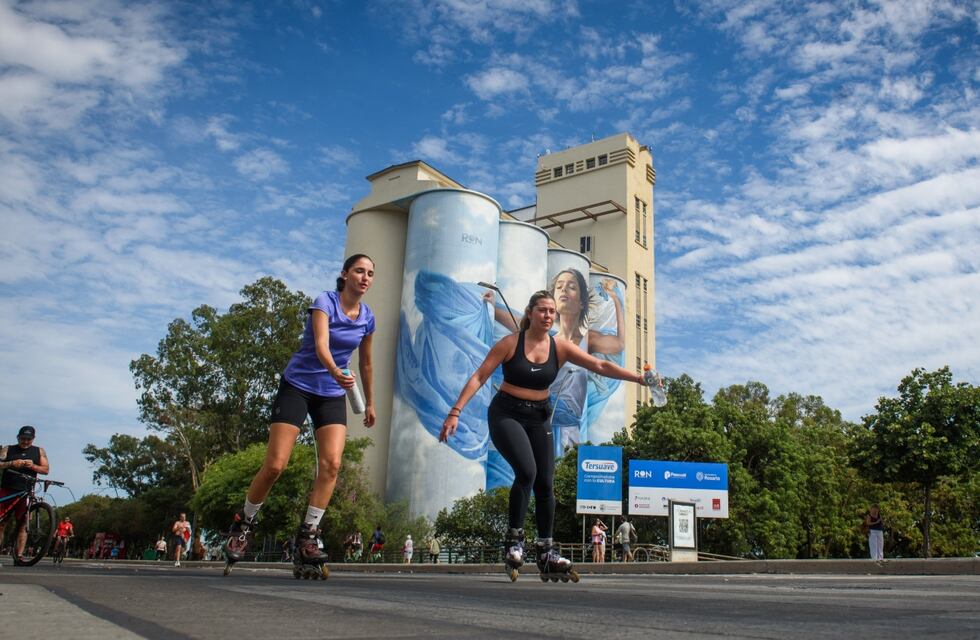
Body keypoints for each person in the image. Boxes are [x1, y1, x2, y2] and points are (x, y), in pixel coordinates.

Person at [440, 290, 647, 579]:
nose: (548, 315)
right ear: (530, 313)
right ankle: (514, 541)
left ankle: (547, 552)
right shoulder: (510, 343)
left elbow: (599, 364)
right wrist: (455, 412)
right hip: (506, 413)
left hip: (539, 417)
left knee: (546, 483)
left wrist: (637, 378)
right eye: (542, 310)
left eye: (552, 311)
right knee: (527, 471)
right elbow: (479, 376)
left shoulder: (559, 347)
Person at [222, 254, 377, 573]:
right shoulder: (325, 302)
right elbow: (321, 345)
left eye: (370, 273)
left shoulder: (368, 317)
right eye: (359, 271)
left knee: (332, 465)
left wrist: (370, 402)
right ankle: (244, 524)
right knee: (276, 465)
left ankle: (308, 535)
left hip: (333, 393)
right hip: (299, 385)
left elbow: (366, 363)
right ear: (345, 274)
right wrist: (335, 370)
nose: (365, 277)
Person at [0, 426, 50, 561]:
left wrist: (32, 466)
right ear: (18, 437)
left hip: (26, 491)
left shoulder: (39, 451)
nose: (25, 441)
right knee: (2, 522)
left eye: (28, 439)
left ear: (33, 439)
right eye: (23, 439)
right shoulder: (8, 449)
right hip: (7, 489)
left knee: (23, 524)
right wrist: (11, 463)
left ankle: (19, 555)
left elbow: (45, 470)